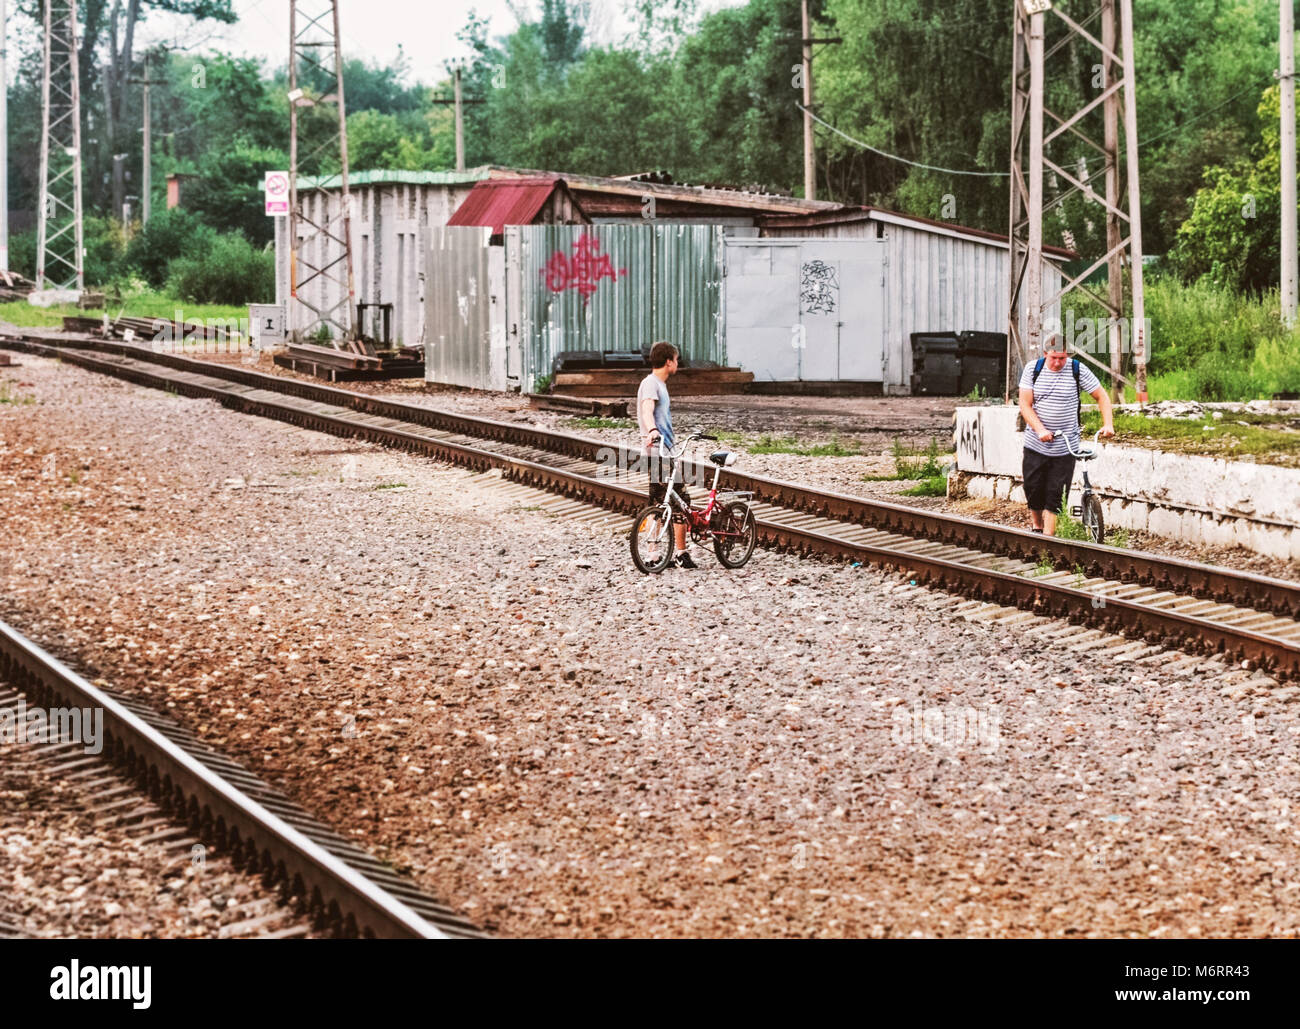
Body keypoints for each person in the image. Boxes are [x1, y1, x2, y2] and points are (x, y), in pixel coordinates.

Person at [1017, 336, 1115, 535]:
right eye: (1053, 358)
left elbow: (1101, 396)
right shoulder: (1032, 369)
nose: (1058, 363)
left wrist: (1108, 424)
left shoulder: (1077, 369)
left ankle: (1047, 543)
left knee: (1056, 496)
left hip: (1065, 446)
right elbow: (1025, 405)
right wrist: (1040, 430)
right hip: (1036, 444)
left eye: (1062, 358)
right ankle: (1037, 526)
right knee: (1033, 490)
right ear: (1045, 354)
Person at [637, 340, 697, 568]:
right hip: (659, 453)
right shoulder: (651, 384)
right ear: (668, 361)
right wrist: (652, 430)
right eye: (676, 360)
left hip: (662, 452)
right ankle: (681, 554)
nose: (677, 364)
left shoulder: (657, 384)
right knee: (681, 502)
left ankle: (654, 555)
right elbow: (646, 409)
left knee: (660, 502)